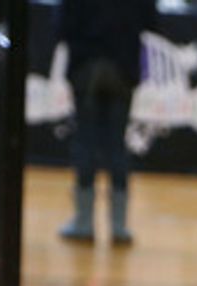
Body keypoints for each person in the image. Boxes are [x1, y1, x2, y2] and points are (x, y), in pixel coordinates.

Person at [57, 0, 157, 246]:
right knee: (116, 145)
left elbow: (62, 24)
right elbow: (151, 22)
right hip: (123, 66)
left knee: (85, 141)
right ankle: (119, 226)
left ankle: (83, 222)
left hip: (85, 65)